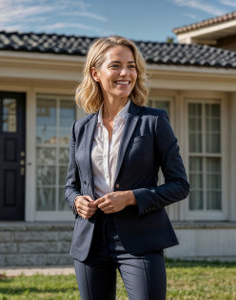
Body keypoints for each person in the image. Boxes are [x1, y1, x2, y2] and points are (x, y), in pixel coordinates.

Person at [64, 35, 189, 300]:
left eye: (131, 66)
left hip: (141, 239)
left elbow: (180, 185)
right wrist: (77, 201)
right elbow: (70, 186)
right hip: (90, 240)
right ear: (96, 73)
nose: (126, 73)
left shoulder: (154, 122)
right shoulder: (81, 128)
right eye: (116, 66)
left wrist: (131, 197)